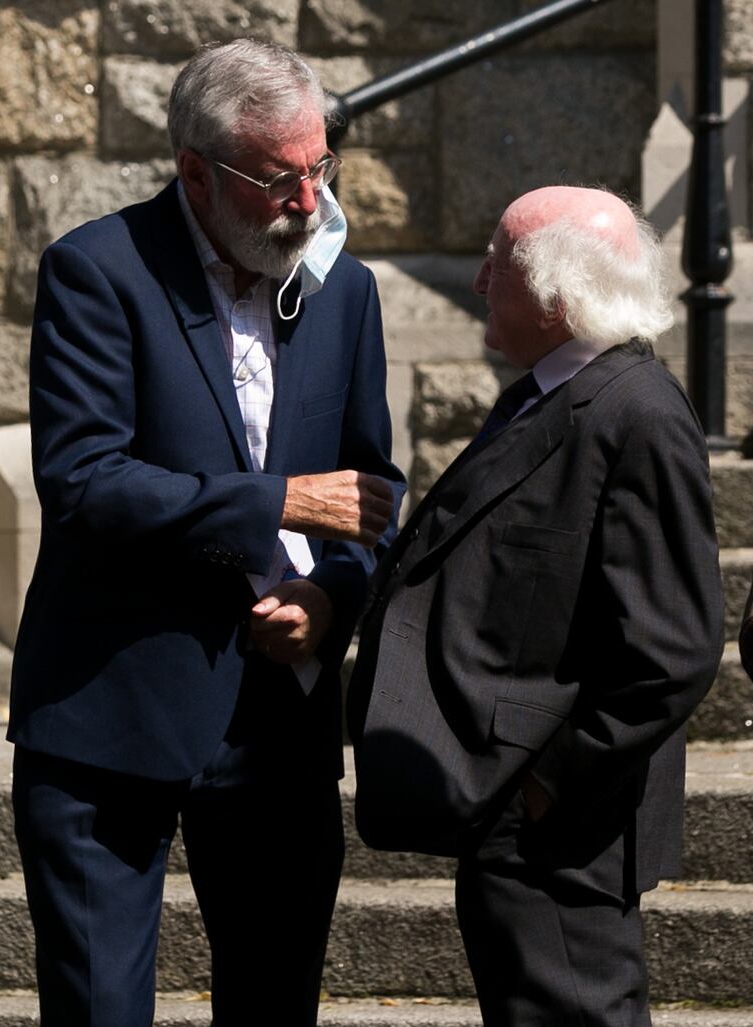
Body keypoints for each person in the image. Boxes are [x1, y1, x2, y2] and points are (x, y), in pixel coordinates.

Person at [8, 38, 404, 1027]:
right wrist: (275, 504)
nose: (308, 204)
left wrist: (332, 598)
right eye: (279, 179)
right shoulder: (97, 270)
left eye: (321, 170)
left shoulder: (340, 289)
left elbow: (368, 492)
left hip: (276, 720)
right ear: (194, 171)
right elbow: (86, 482)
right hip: (110, 705)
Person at [348, 186, 723, 1027]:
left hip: (561, 827)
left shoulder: (637, 414)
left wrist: (547, 785)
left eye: (498, 262)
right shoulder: (550, 391)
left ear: (558, 298)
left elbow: (674, 650)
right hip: (517, 814)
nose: (479, 279)